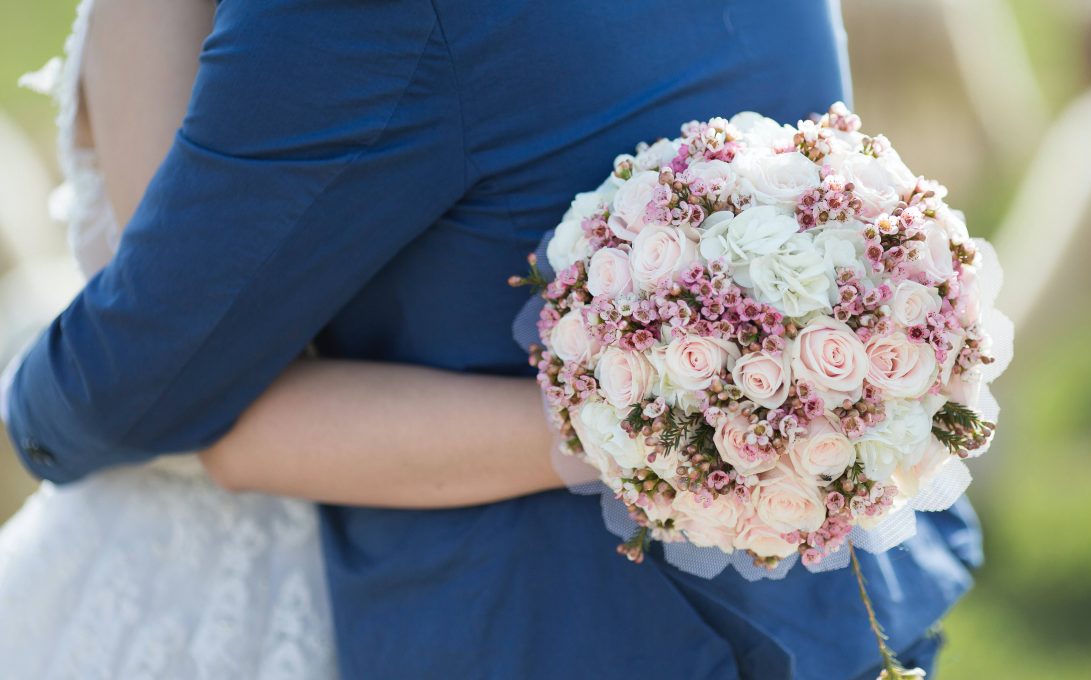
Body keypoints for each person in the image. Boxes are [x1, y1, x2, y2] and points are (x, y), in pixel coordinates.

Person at [2, 1, 981, 678]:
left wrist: (23, 412)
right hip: (820, 572)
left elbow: (148, 378)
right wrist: (714, 408)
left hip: (550, 613)